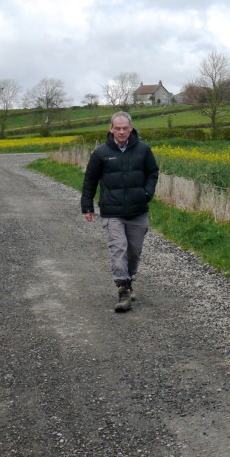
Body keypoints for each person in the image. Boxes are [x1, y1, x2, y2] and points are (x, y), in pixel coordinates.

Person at [81, 111, 159, 312]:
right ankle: (122, 290)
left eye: (125, 128)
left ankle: (129, 278)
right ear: (111, 129)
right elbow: (90, 180)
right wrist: (87, 206)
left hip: (138, 210)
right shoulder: (101, 153)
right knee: (119, 250)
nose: (122, 131)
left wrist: (147, 193)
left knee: (134, 252)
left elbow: (153, 172)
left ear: (131, 128)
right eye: (118, 128)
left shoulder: (143, 150)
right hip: (112, 211)